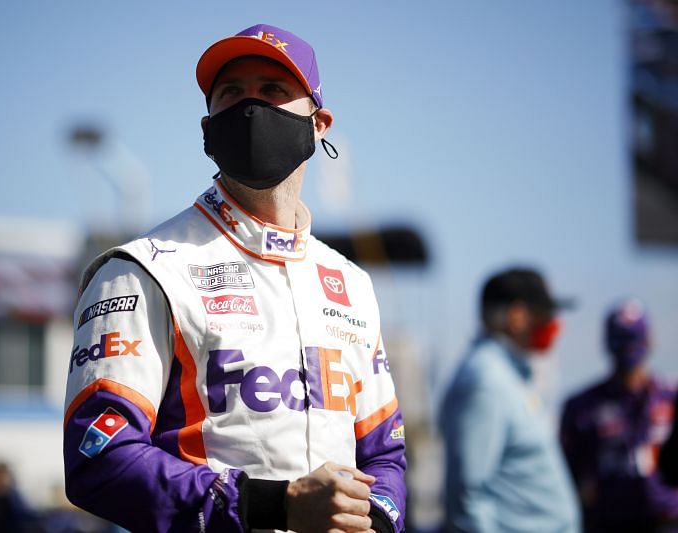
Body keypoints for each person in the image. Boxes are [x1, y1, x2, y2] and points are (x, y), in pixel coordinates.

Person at [63, 23, 407, 533]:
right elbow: (100, 457)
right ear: (207, 129)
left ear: (319, 124)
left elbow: (385, 455)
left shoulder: (351, 283)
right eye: (231, 94)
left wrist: (373, 519)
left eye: (272, 91)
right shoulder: (143, 271)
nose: (250, 109)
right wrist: (277, 505)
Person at [438, 267, 580, 533]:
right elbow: (467, 494)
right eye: (545, 313)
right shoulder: (486, 380)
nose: (553, 324)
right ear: (517, 317)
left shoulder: (510, 375)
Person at [560, 299, 678, 531]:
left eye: (633, 338)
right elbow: (566, 477)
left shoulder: (670, 396)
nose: (627, 348)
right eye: (621, 339)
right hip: (609, 522)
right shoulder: (582, 407)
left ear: (649, 340)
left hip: (668, 521)